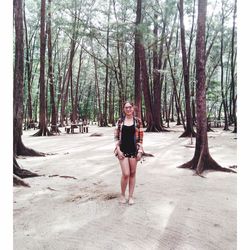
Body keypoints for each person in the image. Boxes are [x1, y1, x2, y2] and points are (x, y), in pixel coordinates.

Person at [114, 101, 144, 205]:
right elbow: (116, 137)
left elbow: (140, 138)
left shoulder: (138, 121)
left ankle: (130, 196)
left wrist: (140, 151)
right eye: (126, 107)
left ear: (133, 108)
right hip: (122, 150)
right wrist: (118, 150)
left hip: (134, 151)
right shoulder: (120, 121)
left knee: (132, 173)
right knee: (126, 173)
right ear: (124, 109)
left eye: (130, 107)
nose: (128, 109)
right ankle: (122, 195)